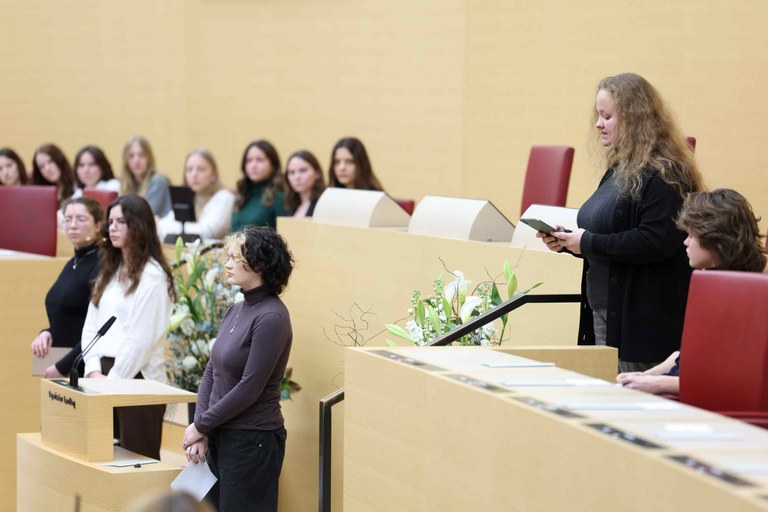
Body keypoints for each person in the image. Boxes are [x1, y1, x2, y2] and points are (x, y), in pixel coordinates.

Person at [538, 73, 704, 372]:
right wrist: (568, 242)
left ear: (635, 119)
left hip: (642, 324)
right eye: (599, 116)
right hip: (605, 313)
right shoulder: (620, 169)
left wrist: (586, 242)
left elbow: (656, 241)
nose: (599, 124)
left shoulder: (665, 173)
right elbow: (610, 235)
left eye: (607, 116)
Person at [182, 226, 293, 512]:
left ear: (259, 264)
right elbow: (211, 372)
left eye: (234, 257)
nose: (227, 264)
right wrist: (203, 430)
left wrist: (201, 424)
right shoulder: (236, 308)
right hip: (222, 434)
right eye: (228, 256)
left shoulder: (271, 316)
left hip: (251, 441)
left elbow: (249, 388)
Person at [616, 189, 767, 394]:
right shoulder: (710, 282)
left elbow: (737, 380)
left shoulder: (754, 293)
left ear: (715, 238)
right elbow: (684, 354)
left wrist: (659, 384)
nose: (685, 242)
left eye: (691, 235)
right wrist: (646, 376)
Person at [81, 194, 175, 459]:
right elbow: (92, 326)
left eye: (121, 221)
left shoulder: (154, 276)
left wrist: (110, 384)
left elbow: (141, 340)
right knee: (102, 461)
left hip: (137, 379)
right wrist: (92, 371)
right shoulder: (110, 269)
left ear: (139, 225)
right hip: (103, 377)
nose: (112, 227)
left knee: (136, 464)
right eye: (110, 222)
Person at [30, 197, 104, 378]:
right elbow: (67, 315)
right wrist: (47, 333)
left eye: (81, 219)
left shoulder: (102, 263)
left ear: (98, 226)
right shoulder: (74, 261)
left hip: (87, 365)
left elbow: (97, 326)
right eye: (68, 219)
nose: (72, 225)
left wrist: (63, 366)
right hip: (64, 361)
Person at [159, 149, 235, 241]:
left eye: (201, 169)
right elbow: (160, 228)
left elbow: (208, 232)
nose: (194, 174)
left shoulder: (225, 197)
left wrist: (171, 228)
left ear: (214, 174)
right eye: (189, 169)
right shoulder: (186, 198)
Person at [231, 140, 286, 231]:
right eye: (249, 160)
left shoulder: (280, 198)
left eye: (259, 160)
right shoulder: (242, 195)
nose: (253, 165)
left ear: (273, 165)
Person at [120, 136, 172, 218]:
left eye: (141, 155)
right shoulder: (126, 185)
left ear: (149, 159)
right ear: (126, 161)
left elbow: (144, 216)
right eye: (131, 156)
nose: (136, 160)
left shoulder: (158, 182)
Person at [284, 149, 325, 217]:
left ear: (317, 173)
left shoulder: (324, 205)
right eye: (292, 172)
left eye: (303, 171)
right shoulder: (289, 206)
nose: (297, 177)